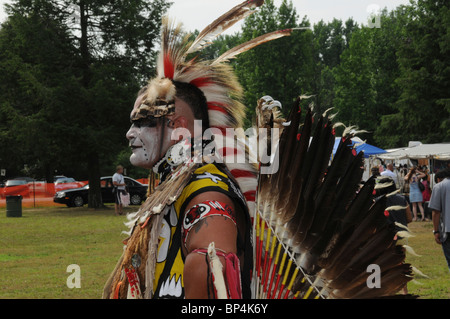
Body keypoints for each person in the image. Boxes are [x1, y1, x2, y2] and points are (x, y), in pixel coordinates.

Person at [428, 168, 450, 271]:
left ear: (438, 179)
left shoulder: (439, 187)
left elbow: (436, 212)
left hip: (447, 229)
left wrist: (436, 231)